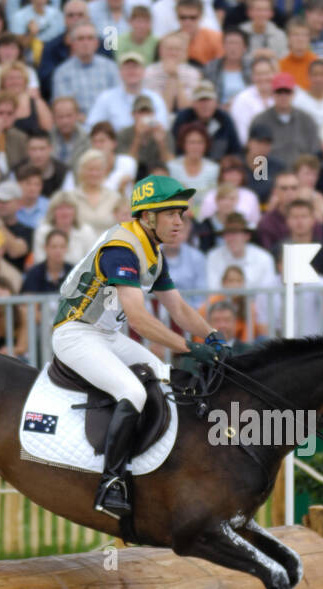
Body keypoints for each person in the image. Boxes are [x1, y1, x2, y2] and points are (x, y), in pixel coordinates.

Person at [52, 175, 224, 519]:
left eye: (182, 214)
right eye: (171, 214)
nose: (179, 221)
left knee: (166, 379)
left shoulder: (153, 251)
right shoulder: (122, 248)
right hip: (76, 333)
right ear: (147, 217)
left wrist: (214, 338)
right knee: (133, 390)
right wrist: (190, 348)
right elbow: (139, 320)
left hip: (106, 335)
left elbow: (179, 309)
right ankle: (111, 483)